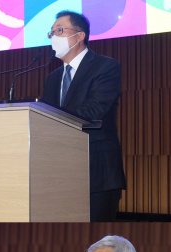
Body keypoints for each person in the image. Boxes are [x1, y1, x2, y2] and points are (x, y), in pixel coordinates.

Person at [41, 11, 126, 222]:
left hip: (97, 172)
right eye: (51, 33)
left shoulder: (105, 67)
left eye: (59, 30)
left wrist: (50, 118)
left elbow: (94, 110)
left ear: (80, 36)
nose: (54, 37)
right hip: (59, 172)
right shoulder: (53, 78)